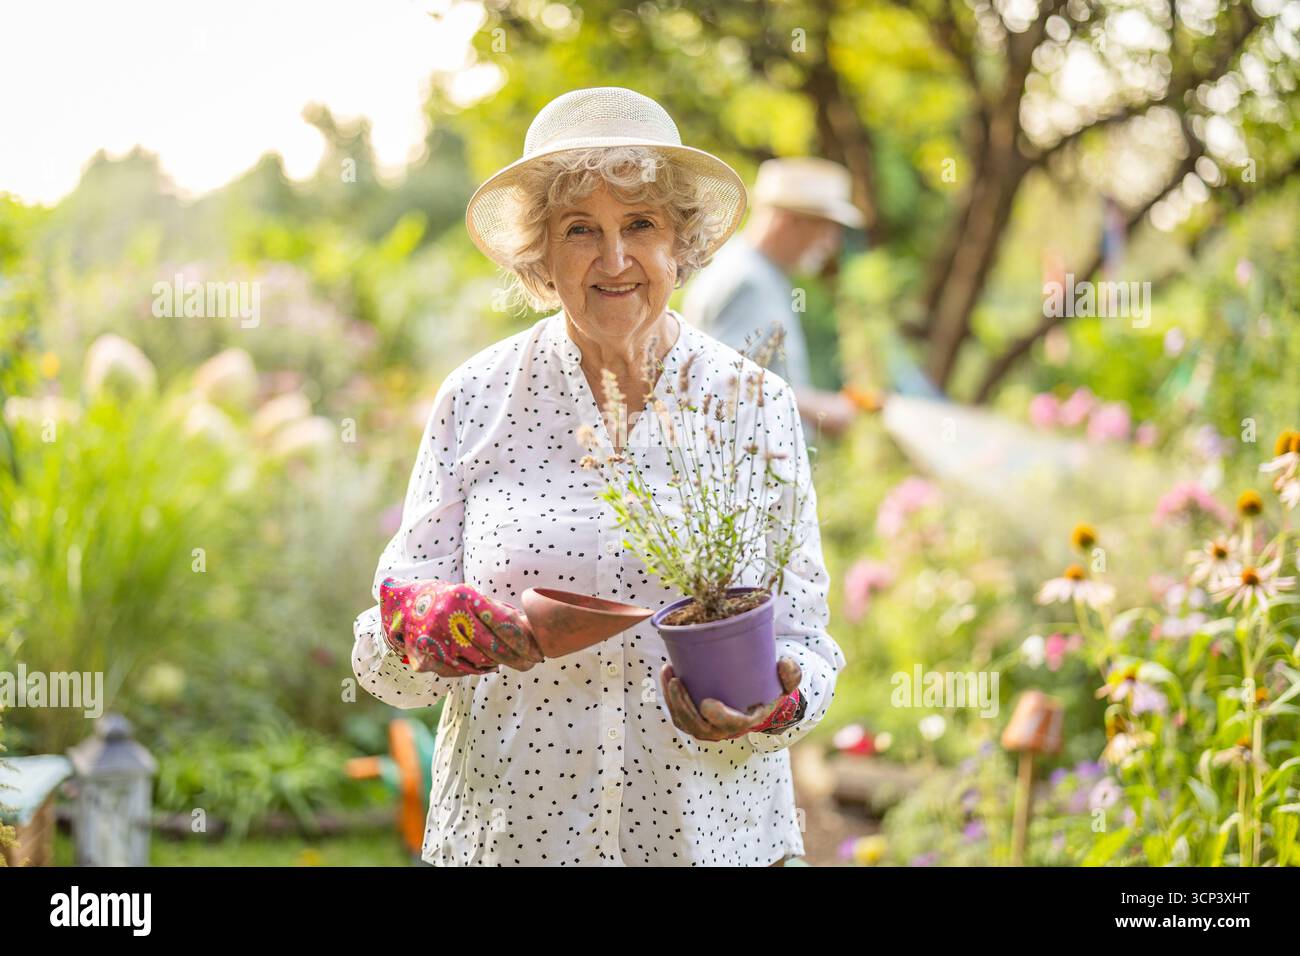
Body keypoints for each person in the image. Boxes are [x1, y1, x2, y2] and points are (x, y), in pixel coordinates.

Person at [350, 87, 845, 866]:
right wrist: (429, 630)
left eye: (640, 224)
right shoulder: (478, 399)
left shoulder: (754, 404)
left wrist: (774, 702)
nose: (614, 260)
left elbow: (808, 644)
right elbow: (381, 659)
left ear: (680, 242)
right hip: (516, 840)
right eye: (581, 229)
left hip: (707, 839)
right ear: (540, 258)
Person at [683, 156, 865, 438]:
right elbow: (727, 383)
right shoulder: (748, 281)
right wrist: (824, 408)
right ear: (789, 221)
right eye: (824, 226)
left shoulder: (756, 272)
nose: (832, 242)